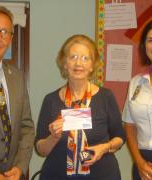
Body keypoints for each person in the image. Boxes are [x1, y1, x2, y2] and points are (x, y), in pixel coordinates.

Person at [35, 34, 125, 180]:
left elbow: (120, 137)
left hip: (102, 175)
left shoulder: (106, 97)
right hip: (58, 175)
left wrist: (105, 147)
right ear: (64, 63)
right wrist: (53, 137)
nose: (78, 63)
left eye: (85, 58)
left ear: (92, 66)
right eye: (73, 57)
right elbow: (40, 149)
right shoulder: (50, 100)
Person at [0, 6, 35, 180]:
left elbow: (26, 128)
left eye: (5, 32)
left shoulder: (17, 77)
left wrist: (20, 166)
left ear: (11, 39)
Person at [122, 18, 152, 180]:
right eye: (150, 40)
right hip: (143, 164)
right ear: (144, 45)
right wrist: (139, 161)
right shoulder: (136, 82)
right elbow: (129, 125)